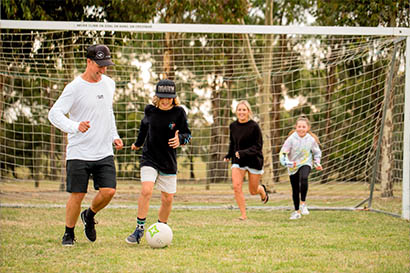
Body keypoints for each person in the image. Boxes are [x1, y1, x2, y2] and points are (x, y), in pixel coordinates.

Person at [48, 44, 123, 246]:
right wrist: (74, 126)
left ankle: (89, 216)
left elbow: (108, 112)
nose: (103, 70)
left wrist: (114, 135)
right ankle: (68, 233)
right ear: (88, 62)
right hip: (79, 151)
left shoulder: (109, 84)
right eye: (99, 65)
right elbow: (54, 114)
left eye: (106, 65)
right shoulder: (74, 88)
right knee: (77, 195)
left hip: (103, 150)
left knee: (109, 191)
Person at [125, 79, 192, 245]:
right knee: (146, 190)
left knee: (167, 198)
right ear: (157, 96)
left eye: (169, 97)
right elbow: (143, 129)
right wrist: (138, 144)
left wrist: (180, 140)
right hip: (150, 157)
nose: (165, 100)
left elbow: (187, 134)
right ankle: (139, 229)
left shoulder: (179, 112)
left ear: (174, 97)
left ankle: (162, 227)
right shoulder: (150, 111)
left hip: (168, 160)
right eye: (162, 97)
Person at [224, 100, 268, 220]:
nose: (241, 112)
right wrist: (229, 154)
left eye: (244, 110)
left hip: (254, 160)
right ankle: (243, 215)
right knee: (237, 186)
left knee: (253, 191)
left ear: (248, 112)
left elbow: (258, 147)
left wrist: (243, 153)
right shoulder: (233, 126)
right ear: (236, 112)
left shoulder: (254, 126)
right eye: (239, 110)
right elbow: (233, 143)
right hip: (238, 161)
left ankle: (262, 190)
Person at [279, 115, 322, 220]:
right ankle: (297, 212)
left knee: (304, 178)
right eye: (299, 126)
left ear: (307, 128)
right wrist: (288, 163)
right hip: (293, 166)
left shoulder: (311, 140)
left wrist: (317, 163)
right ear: (296, 127)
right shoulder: (291, 139)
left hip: (305, 163)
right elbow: (283, 153)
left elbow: (317, 152)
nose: (301, 129)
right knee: (295, 189)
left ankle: (303, 203)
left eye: (303, 127)